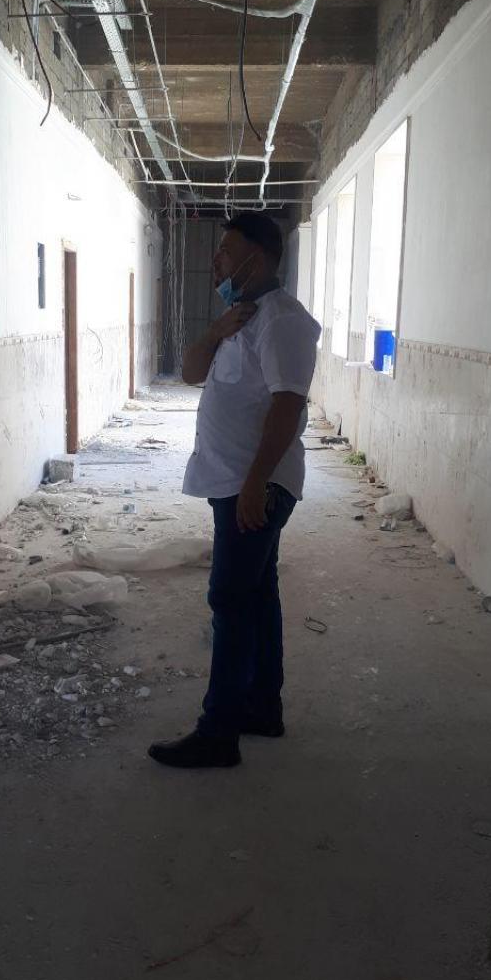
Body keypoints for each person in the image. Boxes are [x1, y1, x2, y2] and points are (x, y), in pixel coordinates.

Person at [149, 212, 321, 769]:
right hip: (232, 482)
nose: (217, 259)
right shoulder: (242, 318)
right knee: (257, 594)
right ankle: (261, 708)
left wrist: (256, 483)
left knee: (229, 598)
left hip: (256, 485)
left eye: (227, 249)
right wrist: (215, 330)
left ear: (258, 257)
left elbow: (287, 405)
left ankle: (218, 733)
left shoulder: (283, 321)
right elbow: (190, 373)